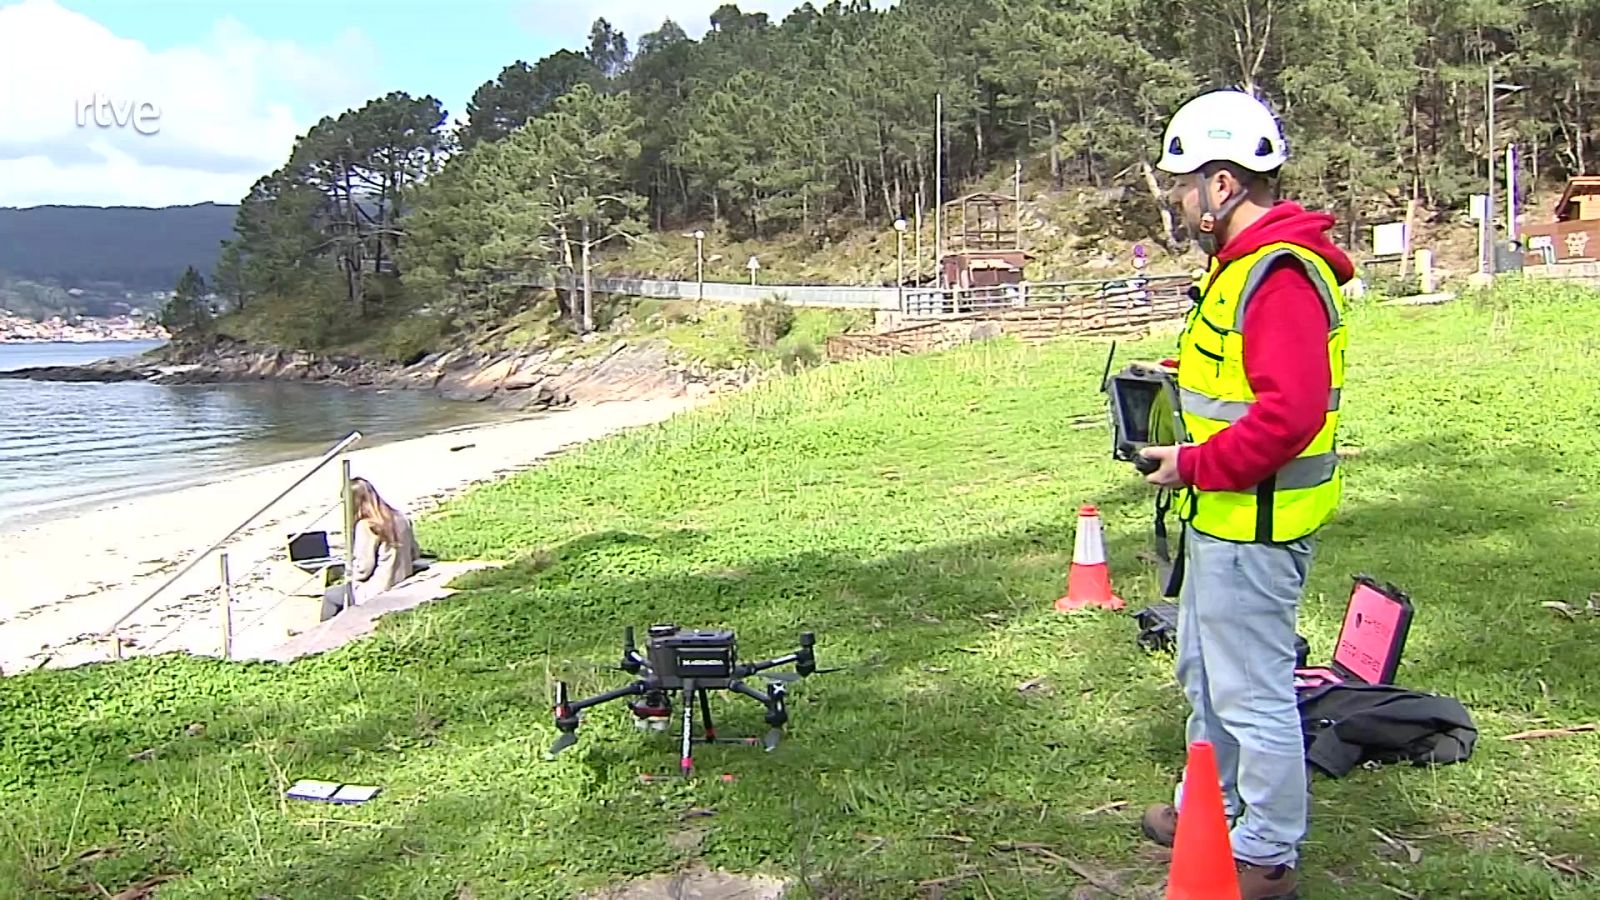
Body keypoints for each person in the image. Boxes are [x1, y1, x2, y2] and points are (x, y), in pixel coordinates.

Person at [1134, 88, 1355, 900]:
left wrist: (1193, 465)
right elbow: (1244, 383)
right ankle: (1211, 808)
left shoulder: (1279, 276)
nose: (1178, 199)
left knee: (1252, 693)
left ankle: (1263, 850)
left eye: (1184, 182)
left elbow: (1289, 414)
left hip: (1253, 524)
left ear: (1221, 185)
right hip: (1221, 518)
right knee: (1205, 677)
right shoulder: (1240, 272)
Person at [320, 477, 420, 621]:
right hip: (402, 581)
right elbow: (414, 553)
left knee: (331, 596)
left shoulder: (367, 526)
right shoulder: (401, 517)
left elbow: (363, 569)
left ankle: (326, 637)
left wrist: (348, 570)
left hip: (377, 589)